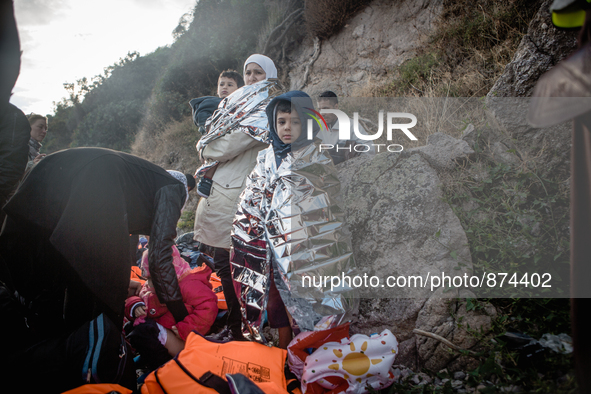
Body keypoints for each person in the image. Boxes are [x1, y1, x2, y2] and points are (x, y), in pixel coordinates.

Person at [0, 148, 196, 343]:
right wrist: (181, 314)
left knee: (49, 290)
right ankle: (95, 356)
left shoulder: (138, 183)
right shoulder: (174, 187)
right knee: (104, 295)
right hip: (95, 183)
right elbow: (160, 258)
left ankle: (62, 351)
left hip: (45, 178)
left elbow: (73, 258)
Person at [231, 91, 358, 347]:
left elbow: (324, 209)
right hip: (271, 248)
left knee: (318, 300)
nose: (287, 128)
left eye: (295, 121)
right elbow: (251, 200)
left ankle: (324, 349)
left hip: (307, 249)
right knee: (280, 298)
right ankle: (292, 349)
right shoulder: (265, 158)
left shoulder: (316, 158)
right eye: (281, 122)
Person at [193, 54, 283, 341]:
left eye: (259, 73)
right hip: (225, 191)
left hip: (241, 196)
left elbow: (225, 146)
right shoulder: (239, 106)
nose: (252, 78)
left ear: (269, 77)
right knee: (226, 262)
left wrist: (207, 144)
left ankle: (243, 329)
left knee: (236, 263)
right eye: (249, 72)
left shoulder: (264, 108)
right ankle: (238, 327)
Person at [125, 246, 218, 370]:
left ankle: (162, 367)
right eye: (148, 278)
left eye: (153, 279)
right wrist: (135, 305)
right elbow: (138, 296)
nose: (149, 283)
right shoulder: (151, 286)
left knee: (143, 331)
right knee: (132, 328)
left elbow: (208, 307)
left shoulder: (188, 284)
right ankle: (148, 359)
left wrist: (186, 329)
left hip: (181, 337)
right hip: (162, 330)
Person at [190, 69, 244, 198]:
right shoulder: (214, 102)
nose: (225, 87)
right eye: (222, 84)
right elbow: (202, 115)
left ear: (239, 90)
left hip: (223, 136)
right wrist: (209, 129)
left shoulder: (236, 105)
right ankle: (206, 181)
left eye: (230, 84)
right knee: (214, 158)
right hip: (213, 136)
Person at [316, 90, 375, 164]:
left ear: (336, 107)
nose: (322, 113)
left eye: (326, 109)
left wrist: (340, 152)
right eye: (320, 109)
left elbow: (370, 150)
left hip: (349, 170)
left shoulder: (352, 125)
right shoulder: (315, 127)